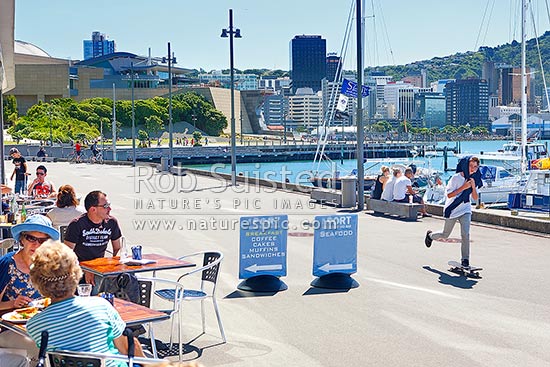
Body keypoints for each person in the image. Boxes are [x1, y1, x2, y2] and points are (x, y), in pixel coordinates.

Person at [27, 241, 144, 367]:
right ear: (76, 274)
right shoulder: (101, 306)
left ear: (37, 283)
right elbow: (127, 347)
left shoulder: (34, 325)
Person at [0, 215, 60, 364]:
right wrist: (12, 304)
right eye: (31, 238)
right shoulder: (7, 264)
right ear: (22, 239)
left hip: (41, 325)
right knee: (40, 348)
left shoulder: (49, 266)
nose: (36, 244)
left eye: (42, 240)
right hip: (9, 329)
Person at [425, 156, 482, 268]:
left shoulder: (474, 178)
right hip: (453, 209)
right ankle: (430, 236)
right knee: (445, 234)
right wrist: (464, 187)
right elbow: (449, 195)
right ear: (466, 165)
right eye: (471, 166)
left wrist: (473, 187)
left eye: (475, 167)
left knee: (465, 234)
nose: (472, 169)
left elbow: (475, 198)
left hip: (465, 209)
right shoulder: (456, 178)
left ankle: (465, 260)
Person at [64, 190, 122, 285]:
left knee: (128, 278)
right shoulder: (77, 225)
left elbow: (118, 248)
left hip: (101, 267)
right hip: (80, 269)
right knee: (98, 284)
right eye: (106, 206)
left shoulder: (112, 222)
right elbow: (67, 256)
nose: (110, 209)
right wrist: (86, 269)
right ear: (93, 209)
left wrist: (114, 266)